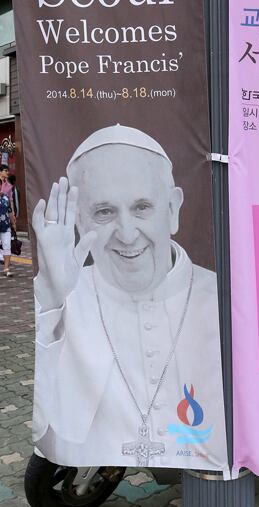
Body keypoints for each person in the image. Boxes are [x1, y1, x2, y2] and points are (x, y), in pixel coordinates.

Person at [31, 125, 227, 473]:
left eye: (141, 207)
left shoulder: (221, 298)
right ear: (80, 221)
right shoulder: (64, 297)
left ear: (172, 208)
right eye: (104, 212)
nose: (126, 233)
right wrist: (51, 301)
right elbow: (49, 437)